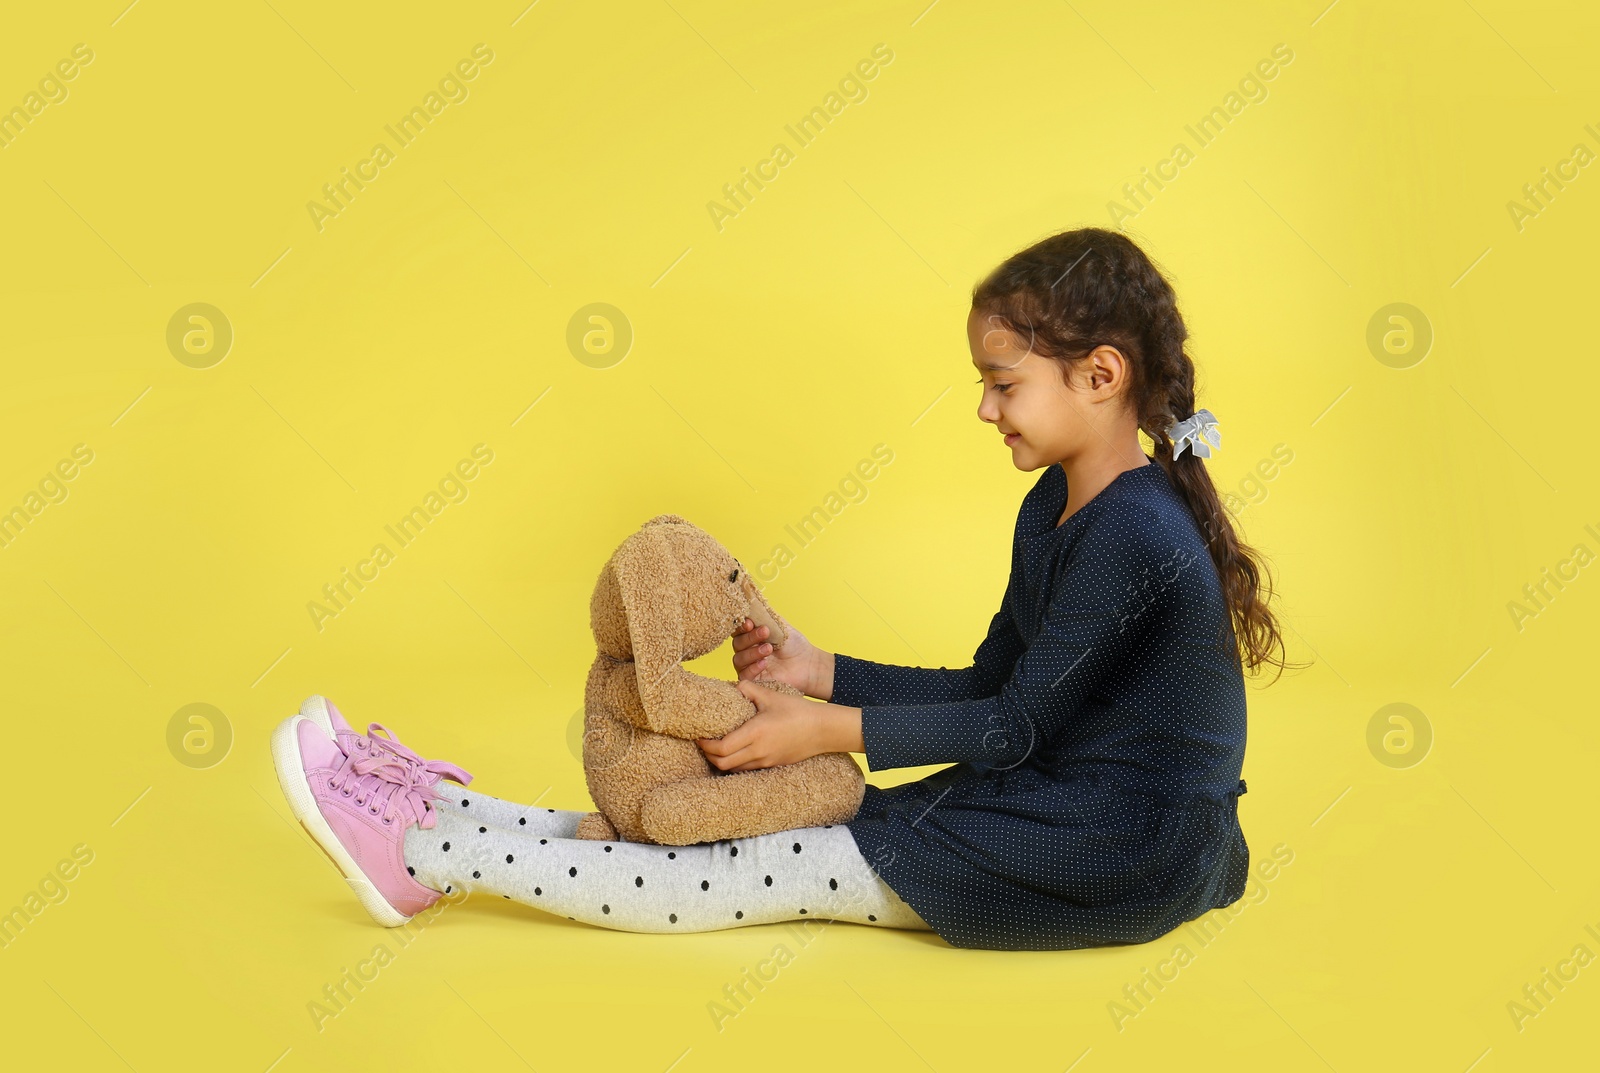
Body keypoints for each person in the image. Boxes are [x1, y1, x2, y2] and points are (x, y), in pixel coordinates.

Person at [272, 226, 1294, 950]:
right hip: (1057, 801)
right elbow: (991, 681)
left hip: (1121, 847)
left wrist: (823, 727)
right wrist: (819, 669)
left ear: (1100, 376)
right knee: (772, 823)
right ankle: (444, 806)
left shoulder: (1137, 535)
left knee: (774, 861)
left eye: (1002, 380)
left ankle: (420, 850)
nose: (984, 408)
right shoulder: (1054, 508)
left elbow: (1013, 724)